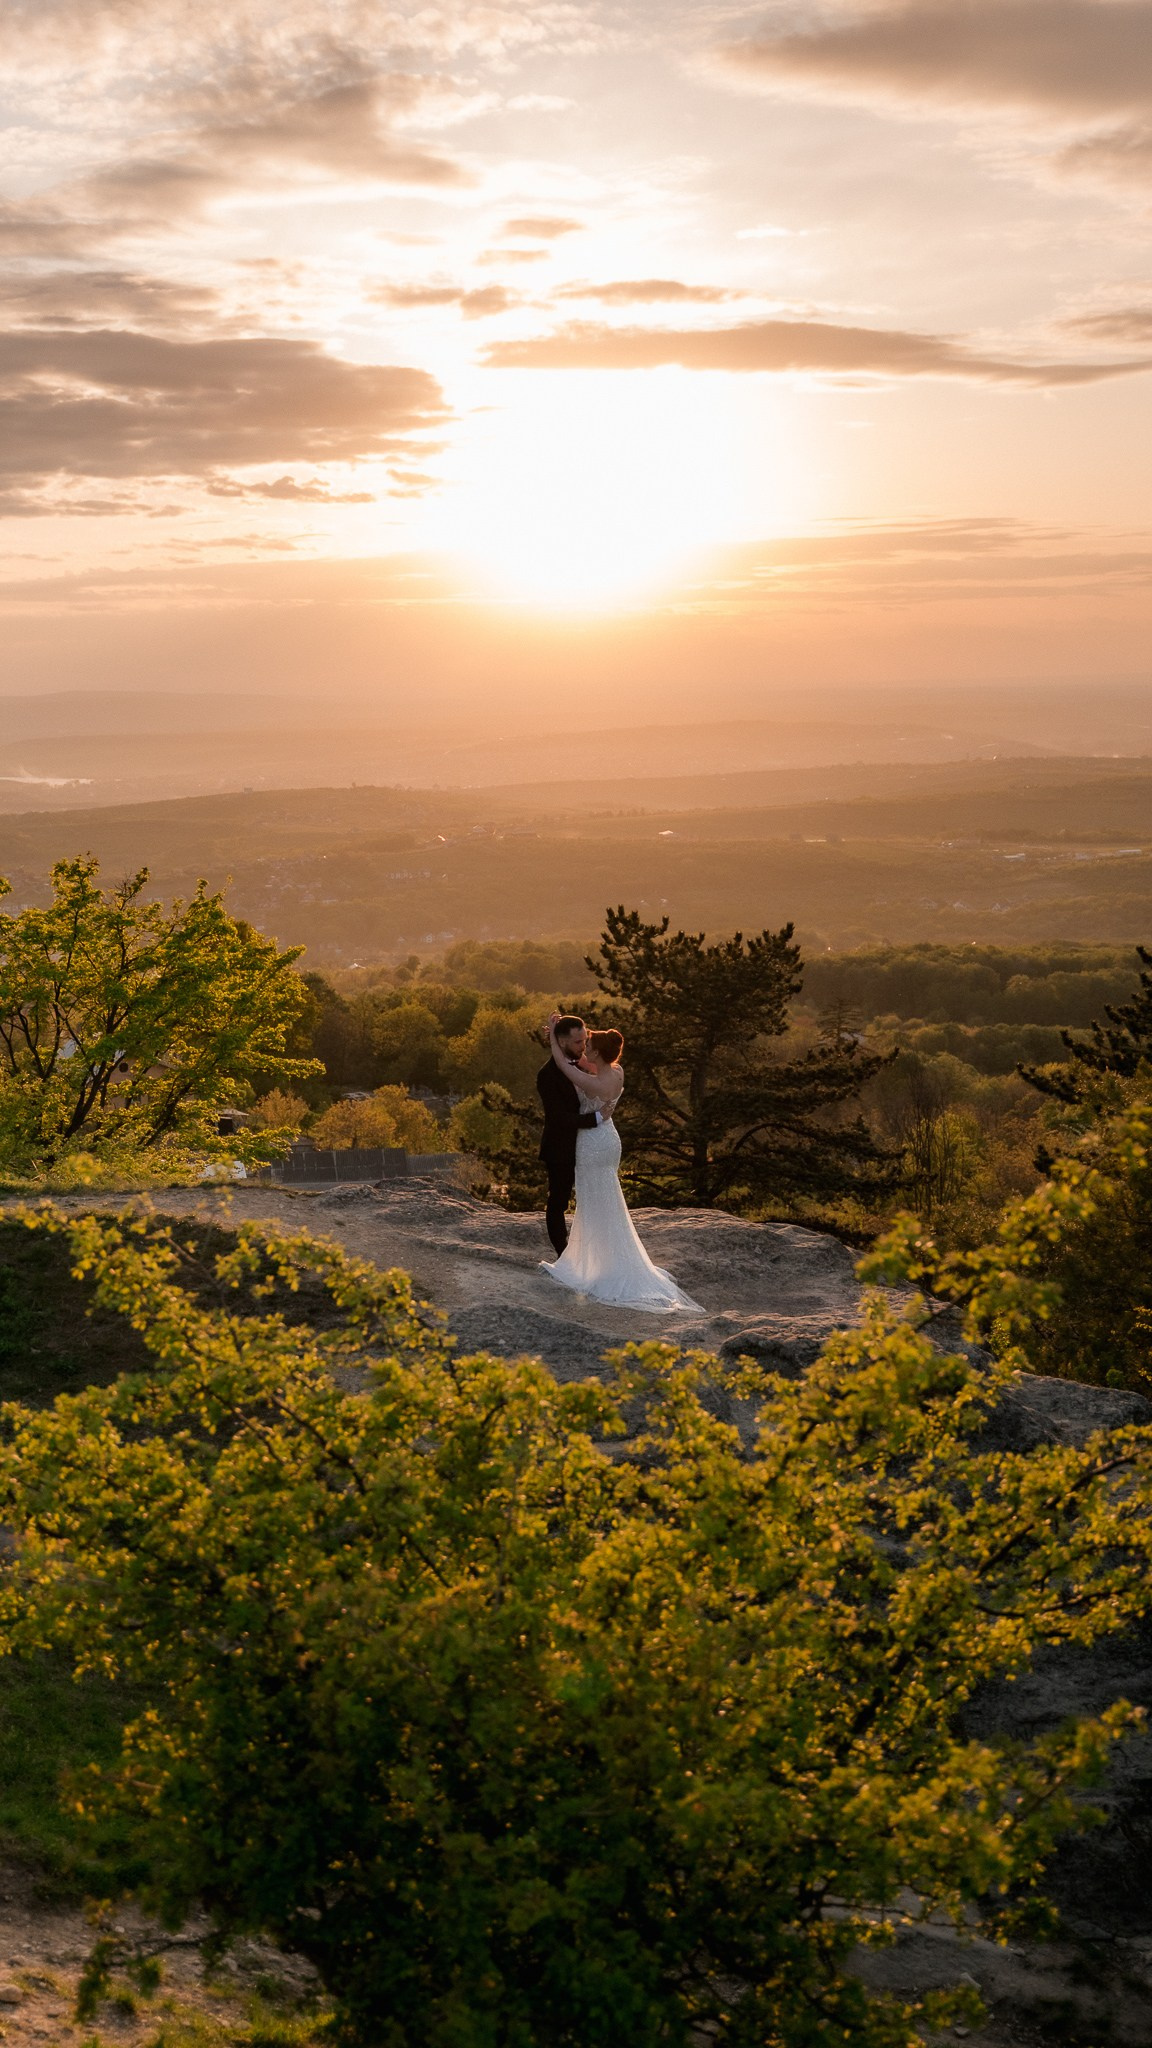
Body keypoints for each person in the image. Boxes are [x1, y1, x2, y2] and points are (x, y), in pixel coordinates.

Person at [538, 1011, 703, 1312]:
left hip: (592, 1141)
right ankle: (600, 1259)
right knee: (605, 1198)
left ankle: (596, 1266)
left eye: (587, 1042)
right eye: (579, 1041)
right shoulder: (615, 1071)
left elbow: (565, 1065)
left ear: (597, 1051)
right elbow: (570, 1077)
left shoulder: (590, 1077)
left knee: (594, 1200)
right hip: (609, 1140)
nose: (584, 1045)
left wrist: (551, 1034)